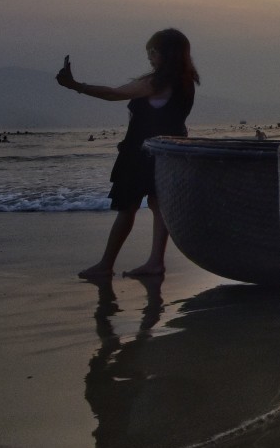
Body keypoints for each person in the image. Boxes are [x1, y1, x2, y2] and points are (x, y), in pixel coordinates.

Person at [57, 29, 199, 282]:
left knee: (127, 208)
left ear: (166, 53)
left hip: (140, 154)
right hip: (166, 153)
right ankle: (155, 262)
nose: (150, 58)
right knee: (158, 206)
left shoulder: (157, 82)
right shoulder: (186, 83)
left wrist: (76, 86)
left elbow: (114, 93)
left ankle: (106, 264)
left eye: (153, 52)